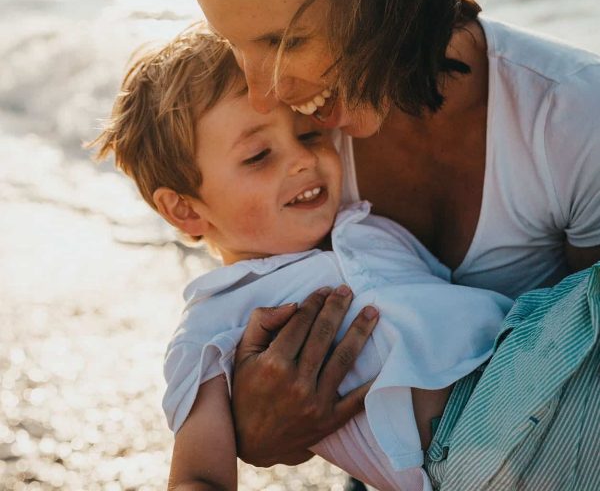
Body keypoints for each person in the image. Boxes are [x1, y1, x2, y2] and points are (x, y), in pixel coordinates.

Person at [161, 0, 600, 487]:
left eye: (286, 40)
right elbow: (296, 344)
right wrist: (263, 430)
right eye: (233, 46)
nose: (265, 90)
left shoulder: (573, 118)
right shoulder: (292, 153)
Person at [91, 25, 513, 491]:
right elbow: (197, 477)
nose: (301, 160)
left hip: (530, 352)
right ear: (186, 208)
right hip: (477, 457)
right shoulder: (214, 324)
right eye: (258, 156)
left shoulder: (368, 224)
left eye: (310, 134)